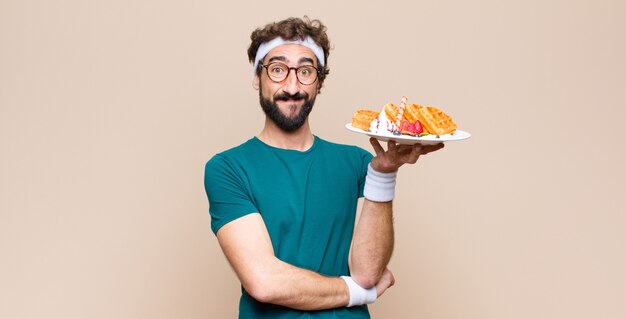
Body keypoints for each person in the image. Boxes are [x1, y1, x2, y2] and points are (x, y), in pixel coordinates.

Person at [203, 16, 443, 318]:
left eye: (305, 71)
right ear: (257, 77)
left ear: (319, 82)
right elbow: (264, 281)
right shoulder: (228, 168)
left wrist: (383, 174)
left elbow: (366, 271)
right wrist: (359, 293)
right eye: (277, 69)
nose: (292, 86)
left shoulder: (358, 164)